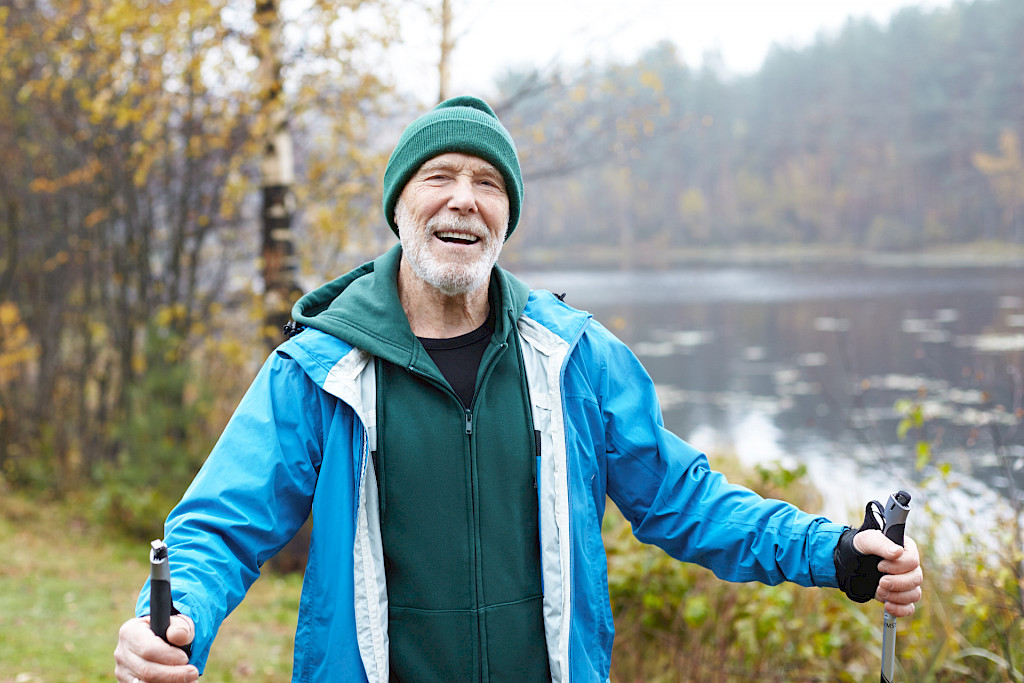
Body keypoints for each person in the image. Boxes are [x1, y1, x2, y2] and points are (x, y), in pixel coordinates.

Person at [114, 96, 923, 683]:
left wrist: (836, 551)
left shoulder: (574, 358)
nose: (464, 197)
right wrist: (177, 619)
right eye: (439, 176)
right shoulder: (320, 370)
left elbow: (687, 499)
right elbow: (220, 525)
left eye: (487, 183)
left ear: (506, 218)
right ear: (400, 206)